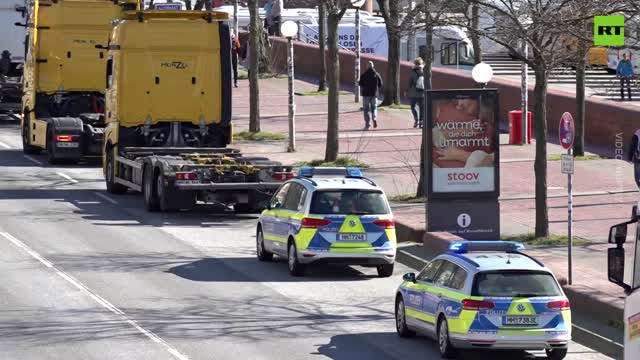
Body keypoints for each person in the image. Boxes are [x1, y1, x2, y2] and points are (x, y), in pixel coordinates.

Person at [358, 61, 383, 130]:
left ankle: (367, 124)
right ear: (373, 66)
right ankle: (374, 118)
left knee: (366, 109)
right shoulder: (376, 74)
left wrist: (364, 86)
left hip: (366, 94)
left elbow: (360, 84)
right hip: (374, 94)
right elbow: (381, 84)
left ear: (367, 66)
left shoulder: (364, 74)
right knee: (374, 107)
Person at [407, 58, 425, 128]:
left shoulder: (413, 72)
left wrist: (407, 90)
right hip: (422, 93)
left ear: (415, 64)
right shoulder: (424, 71)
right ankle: (421, 121)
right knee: (422, 108)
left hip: (414, 92)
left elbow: (410, 83)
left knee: (413, 107)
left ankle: (416, 120)